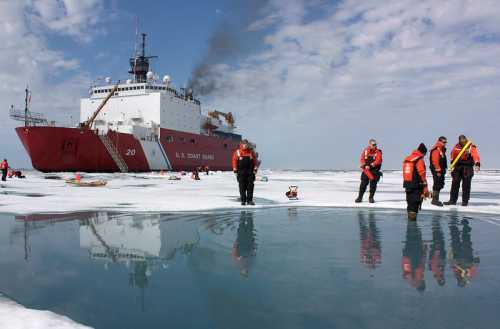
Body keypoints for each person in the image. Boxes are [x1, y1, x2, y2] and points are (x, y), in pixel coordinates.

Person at [444, 135, 480, 206]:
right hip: (457, 167)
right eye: (462, 140)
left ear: (466, 139)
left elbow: (475, 155)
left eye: (464, 140)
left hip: (467, 167)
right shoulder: (456, 147)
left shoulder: (471, 147)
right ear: (459, 140)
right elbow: (452, 154)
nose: (463, 141)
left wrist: (477, 163)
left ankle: (465, 202)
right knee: (455, 184)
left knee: (466, 185)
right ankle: (452, 201)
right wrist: (452, 163)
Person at [403, 143, 430, 220]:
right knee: (414, 205)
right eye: (424, 154)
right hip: (416, 186)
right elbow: (422, 173)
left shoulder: (407, 159)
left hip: (408, 185)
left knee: (410, 204)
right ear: (423, 152)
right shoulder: (419, 160)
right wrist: (425, 187)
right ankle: (412, 225)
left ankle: (410, 225)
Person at [355, 139, 383, 203]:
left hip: (374, 170)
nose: (375, 146)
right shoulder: (365, 151)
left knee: (373, 185)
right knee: (363, 184)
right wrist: (364, 165)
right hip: (366, 170)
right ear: (370, 144)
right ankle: (360, 197)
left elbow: (378, 161)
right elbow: (362, 159)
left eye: (375, 144)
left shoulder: (378, 152)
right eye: (373, 144)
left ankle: (371, 198)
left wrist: (370, 165)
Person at [232, 139, 258, 206]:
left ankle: (250, 200)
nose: (245, 145)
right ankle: (243, 200)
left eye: (246, 144)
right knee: (242, 187)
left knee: (250, 186)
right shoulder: (237, 152)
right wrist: (235, 170)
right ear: (241, 144)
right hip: (241, 173)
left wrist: (255, 169)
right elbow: (234, 161)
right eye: (244, 144)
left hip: (250, 172)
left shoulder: (251, 152)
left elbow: (255, 161)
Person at [429, 136, 448, 206]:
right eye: (444, 142)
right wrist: (438, 171)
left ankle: (435, 198)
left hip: (441, 169)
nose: (445, 143)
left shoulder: (441, 149)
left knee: (440, 183)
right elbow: (435, 161)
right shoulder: (436, 149)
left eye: (446, 142)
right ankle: (434, 200)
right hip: (437, 170)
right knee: (437, 183)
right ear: (439, 141)